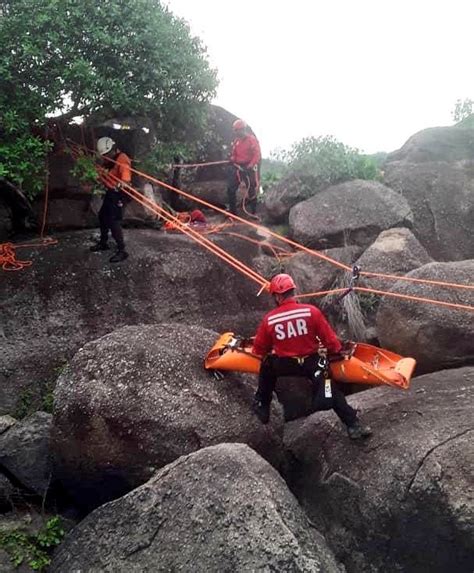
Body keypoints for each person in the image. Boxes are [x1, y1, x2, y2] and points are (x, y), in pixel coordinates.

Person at [252, 273, 372, 440]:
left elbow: (258, 350)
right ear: (292, 292)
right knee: (331, 388)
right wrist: (336, 354)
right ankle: (353, 425)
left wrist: (276, 347)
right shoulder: (311, 312)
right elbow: (331, 343)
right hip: (312, 363)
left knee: (266, 367)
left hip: (285, 364)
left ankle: (262, 405)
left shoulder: (269, 320)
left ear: (277, 296)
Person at [90, 137, 131, 263]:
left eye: (106, 154)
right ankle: (103, 243)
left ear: (112, 150)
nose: (105, 157)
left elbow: (126, 180)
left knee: (114, 221)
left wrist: (121, 184)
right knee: (103, 216)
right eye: (104, 155)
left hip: (119, 193)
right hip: (111, 191)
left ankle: (122, 250)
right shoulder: (110, 159)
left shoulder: (122, 160)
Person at [227, 119, 261, 215]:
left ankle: (254, 212)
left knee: (252, 188)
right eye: (235, 131)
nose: (236, 133)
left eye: (237, 130)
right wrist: (232, 159)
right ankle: (233, 212)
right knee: (231, 188)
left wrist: (250, 166)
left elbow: (257, 154)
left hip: (249, 166)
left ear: (243, 130)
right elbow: (234, 155)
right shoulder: (236, 141)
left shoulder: (252, 140)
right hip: (238, 167)